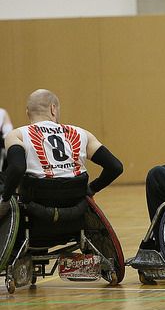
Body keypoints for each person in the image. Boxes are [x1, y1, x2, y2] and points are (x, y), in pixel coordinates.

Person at [0, 89, 123, 219]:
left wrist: (5, 201)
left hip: (36, 208)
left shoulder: (18, 135)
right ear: (53, 109)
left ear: (27, 112)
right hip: (76, 205)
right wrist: (91, 189)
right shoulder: (82, 133)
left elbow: (17, 168)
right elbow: (115, 167)